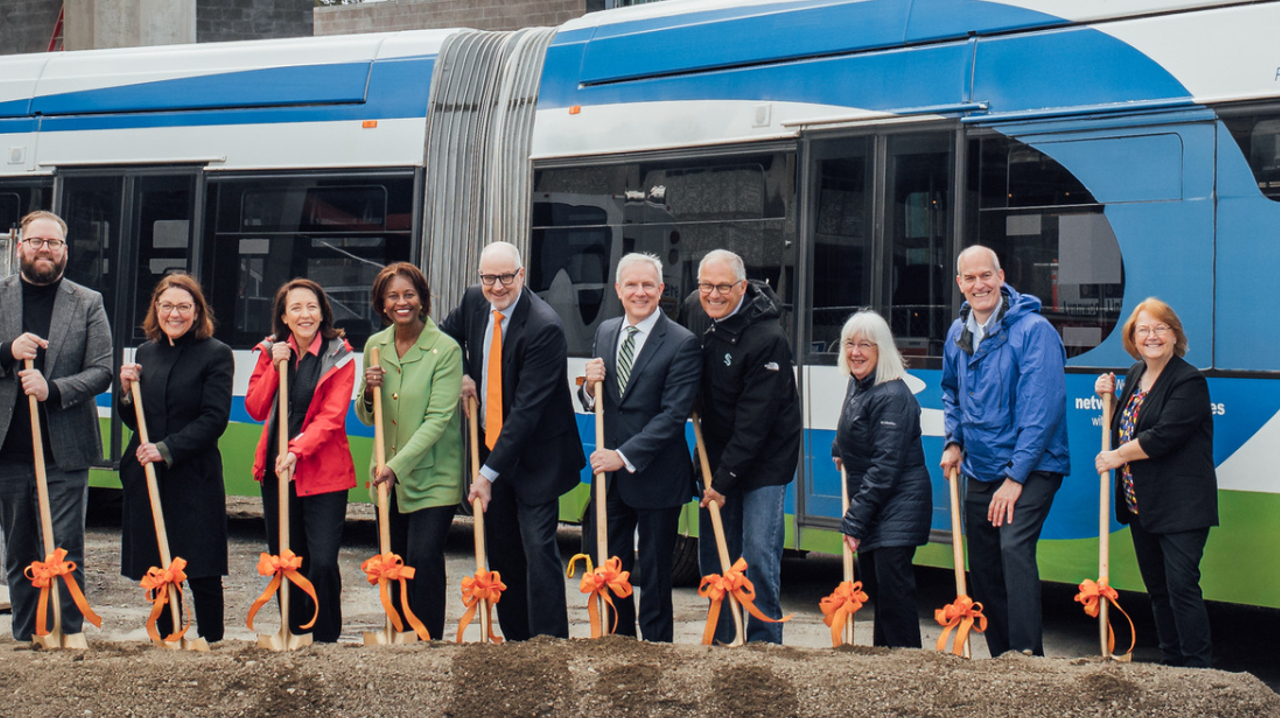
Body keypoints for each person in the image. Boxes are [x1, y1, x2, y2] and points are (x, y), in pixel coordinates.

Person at [440, 241, 583, 641]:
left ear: (522, 274)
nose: (498, 286)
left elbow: (525, 413)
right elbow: (442, 341)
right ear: (480, 278)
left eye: (506, 277)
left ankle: (550, 641)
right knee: (501, 550)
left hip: (538, 457)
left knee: (538, 550)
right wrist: (463, 373)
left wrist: (486, 474)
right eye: (489, 278)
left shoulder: (544, 326)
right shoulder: (473, 302)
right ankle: (517, 640)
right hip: (492, 447)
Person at [940, 245, 1069, 657]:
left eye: (986, 276)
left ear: (1001, 277)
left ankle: (1027, 657)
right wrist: (954, 440)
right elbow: (950, 392)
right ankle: (1002, 661)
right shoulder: (957, 333)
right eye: (970, 278)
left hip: (1032, 467)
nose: (979, 285)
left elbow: (1041, 410)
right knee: (984, 563)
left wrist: (1015, 478)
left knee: (1012, 548)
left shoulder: (1034, 331)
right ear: (960, 284)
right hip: (980, 467)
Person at [0, 210, 112, 641]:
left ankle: (67, 633)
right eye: (36, 241)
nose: (44, 249)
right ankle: (27, 634)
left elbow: (101, 369)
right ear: (20, 246)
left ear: (65, 251)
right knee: (18, 549)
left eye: (53, 243)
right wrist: (8, 350)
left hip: (64, 452)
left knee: (65, 547)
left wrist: (54, 390)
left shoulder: (87, 301)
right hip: (9, 451)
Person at [580, 253, 701, 642]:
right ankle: (619, 642)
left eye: (648, 285)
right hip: (611, 481)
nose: (640, 292)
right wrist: (585, 387)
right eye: (631, 285)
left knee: (654, 573)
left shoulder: (682, 342)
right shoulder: (606, 331)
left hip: (656, 476)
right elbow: (600, 402)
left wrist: (623, 456)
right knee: (611, 568)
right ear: (618, 290)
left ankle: (656, 649)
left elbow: (672, 415)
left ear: (661, 290)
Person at [1094, 298, 1216, 668]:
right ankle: (1171, 661)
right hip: (1141, 503)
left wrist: (1117, 456)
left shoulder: (1189, 380)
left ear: (1175, 335)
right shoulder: (1135, 375)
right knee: (1159, 591)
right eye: (1143, 330)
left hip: (1181, 506)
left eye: (1161, 328)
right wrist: (1109, 400)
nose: (1152, 336)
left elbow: (1164, 435)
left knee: (1181, 588)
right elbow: (1128, 424)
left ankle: (1197, 670)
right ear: (1133, 337)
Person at [692, 249, 801, 644]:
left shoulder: (768, 338)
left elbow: (755, 423)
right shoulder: (702, 317)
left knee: (756, 552)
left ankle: (763, 641)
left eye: (723, 286)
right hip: (719, 458)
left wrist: (723, 482)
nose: (713, 294)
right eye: (706, 285)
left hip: (763, 463)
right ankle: (722, 637)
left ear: (742, 287)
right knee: (717, 556)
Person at [118, 274, 233, 642]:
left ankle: (212, 640)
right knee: (157, 564)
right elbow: (136, 419)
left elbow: (214, 419)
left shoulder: (216, 353)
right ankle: (168, 638)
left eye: (184, 306)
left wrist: (166, 449)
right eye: (166, 305)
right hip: (148, 476)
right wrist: (125, 393)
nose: (175, 313)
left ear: (197, 311)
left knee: (201, 566)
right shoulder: (145, 353)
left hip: (193, 475)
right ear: (156, 309)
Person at [356, 262, 463, 641]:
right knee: (394, 558)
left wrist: (396, 466)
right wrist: (368, 391)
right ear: (382, 305)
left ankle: (428, 637)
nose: (402, 302)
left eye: (409, 295)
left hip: (433, 475)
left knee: (423, 556)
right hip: (387, 479)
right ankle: (400, 632)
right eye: (393, 297)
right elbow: (366, 417)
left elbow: (437, 419)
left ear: (422, 300)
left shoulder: (445, 350)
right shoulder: (375, 346)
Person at [245, 278, 356, 643]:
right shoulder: (271, 351)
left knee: (322, 560)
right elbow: (256, 407)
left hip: (323, 473)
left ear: (323, 312)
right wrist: (275, 368)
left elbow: (332, 416)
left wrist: (297, 450)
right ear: (284, 316)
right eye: (296, 308)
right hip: (278, 473)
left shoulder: (340, 354)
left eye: (312, 307)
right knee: (286, 558)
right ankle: (292, 633)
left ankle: (324, 637)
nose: (305, 314)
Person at [831, 310, 931, 648]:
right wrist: (838, 445)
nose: (855, 352)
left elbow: (885, 467)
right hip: (879, 506)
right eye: (849, 343)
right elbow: (851, 418)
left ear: (881, 350)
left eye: (865, 345)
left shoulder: (892, 397)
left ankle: (907, 666)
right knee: (879, 590)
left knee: (894, 594)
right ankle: (884, 661)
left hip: (898, 507)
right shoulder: (860, 384)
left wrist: (855, 520)